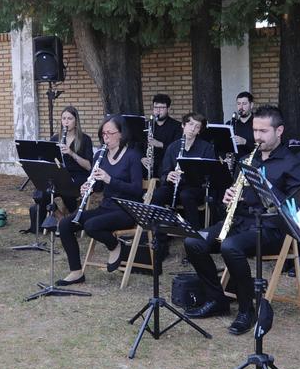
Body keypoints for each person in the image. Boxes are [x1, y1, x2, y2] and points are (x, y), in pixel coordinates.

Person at [183, 105, 300, 335]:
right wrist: (229, 196)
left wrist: (265, 189)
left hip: (271, 228)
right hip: (240, 222)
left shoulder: (292, 164)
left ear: (279, 131)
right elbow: (235, 194)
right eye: (254, 131)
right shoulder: (249, 158)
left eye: (263, 131)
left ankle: (246, 309)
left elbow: (296, 207)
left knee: (231, 247)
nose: (257, 136)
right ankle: (217, 300)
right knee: (193, 241)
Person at [55, 114, 144, 286]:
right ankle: (76, 272)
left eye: (110, 133)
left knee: (91, 225)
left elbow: (136, 190)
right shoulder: (100, 157)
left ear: (121, 134)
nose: (106, 137)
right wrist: (89, 187)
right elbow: (100, 188)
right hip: (107, 207)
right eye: (103, 134)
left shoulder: (132, 156)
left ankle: (114, 245)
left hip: (126, 209)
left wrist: (111, 180)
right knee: (65, 224)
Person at [25, 106, 93, 233]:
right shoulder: (55, 139)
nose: (66, 122)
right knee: (40, 193)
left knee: (67, 190)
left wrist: (72, 153)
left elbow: (89, 166)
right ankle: (60, 218)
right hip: (59, 175)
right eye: (64, 118)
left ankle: (71, 219)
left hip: (78, 176)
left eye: (70, 118)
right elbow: (49, 162)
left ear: (76, 121)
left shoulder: (85, 139)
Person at [151, 112, 215, 229]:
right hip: (175, 186)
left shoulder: (206, 148)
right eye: (190, 124)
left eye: (197, 127)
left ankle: (193, 231)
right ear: (183, 125)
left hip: (196, 188)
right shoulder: (173, 147)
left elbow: (210, 174)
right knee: (158, 194)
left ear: (199, 131)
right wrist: (168, 175)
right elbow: (163, 171)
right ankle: (160, 233)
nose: (192, 129)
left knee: (186, 194)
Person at [144, 93, 183, 175]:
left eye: (161, 108)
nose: (158, 110)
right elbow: (138, 145)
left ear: (168, 109)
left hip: (167, 163)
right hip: (148, 163)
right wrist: (142, 158)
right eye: (156, 107)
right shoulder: (147, 125)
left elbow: (177, 148)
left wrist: (160, 144)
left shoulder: (177, 126)